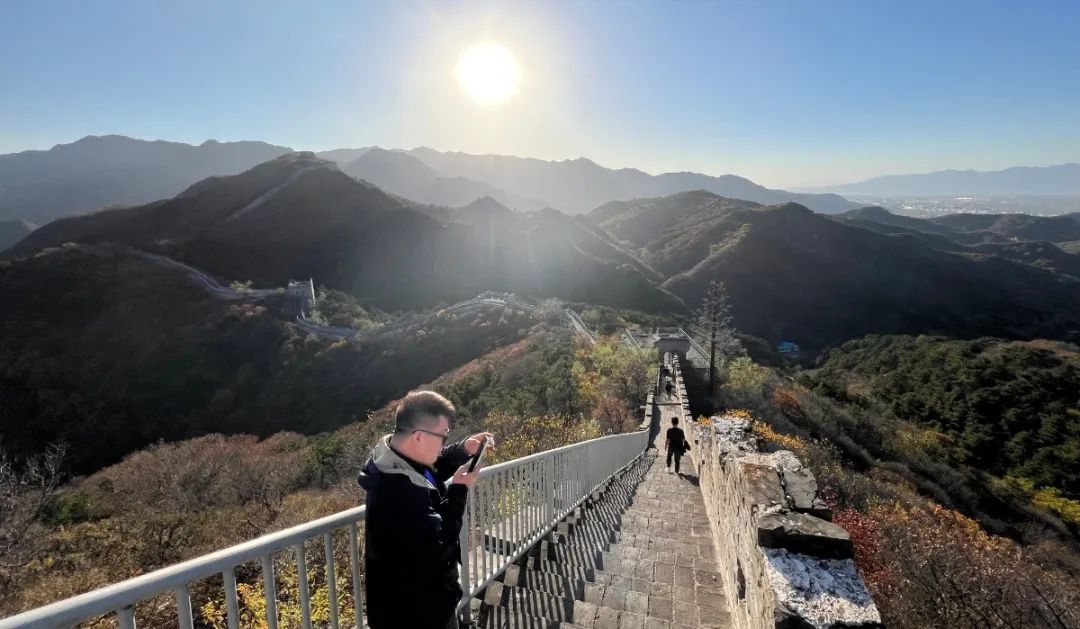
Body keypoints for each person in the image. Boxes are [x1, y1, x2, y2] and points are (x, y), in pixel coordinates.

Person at [358, 390, 495, 629]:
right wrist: (459, 490)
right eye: (442, 435)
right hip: (418, 614)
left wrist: (463, 449)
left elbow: (431, 469)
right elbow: (441, 544)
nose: (444, 442)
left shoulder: (396, 459)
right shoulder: (398, 492)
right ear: (419, 437)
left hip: (413, 604)